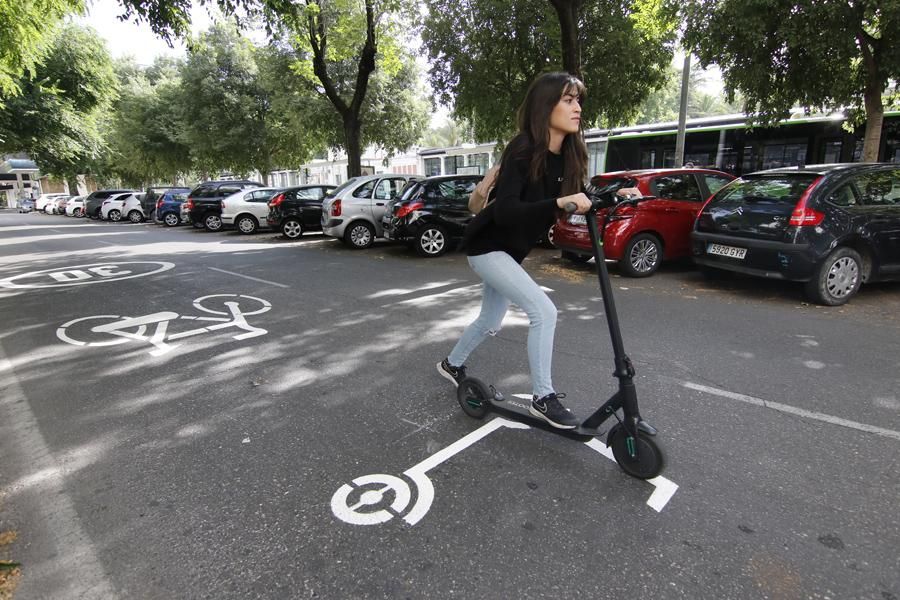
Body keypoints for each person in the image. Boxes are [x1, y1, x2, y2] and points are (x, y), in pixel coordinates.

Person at [436, 72, 593, 429]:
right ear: (546, 105)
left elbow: (579, 197)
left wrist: (612, 197)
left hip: (510, 253)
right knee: (544, 311)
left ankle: (451, 365)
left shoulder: (568, 155)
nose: (577, 108)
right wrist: (559, 202)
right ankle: (543, 398)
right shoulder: (523, 148)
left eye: (578, 100)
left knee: (491, 320)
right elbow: (506, 210)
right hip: (488, 245)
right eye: (568, 100)